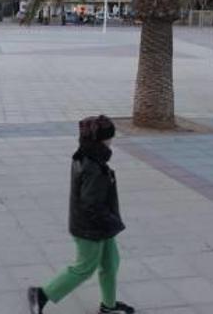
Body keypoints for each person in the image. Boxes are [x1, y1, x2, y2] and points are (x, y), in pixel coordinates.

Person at [27, 115, 134, 314]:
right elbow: (91, 204)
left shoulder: (87, 154)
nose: (112, 139)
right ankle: (41, 294)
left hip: (100, 224)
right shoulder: (93, 166)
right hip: (90, 228)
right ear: (102, 139)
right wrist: (110, 221)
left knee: (111, 263)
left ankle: (108, 306)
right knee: (84, 268)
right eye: (110, 136)